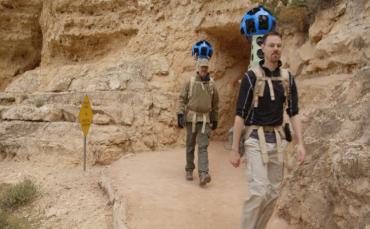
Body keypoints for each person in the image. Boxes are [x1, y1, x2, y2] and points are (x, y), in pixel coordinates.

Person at [230, 31, 306, 228]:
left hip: (278, 141)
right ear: (262, 48)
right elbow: (240, 114)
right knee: (258, 191)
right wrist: (234, 149)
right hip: (255, 139)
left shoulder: (287, 78)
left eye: (279, 46)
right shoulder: (251, 77)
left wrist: (300, 143)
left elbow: (293, 112)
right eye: (272, 45)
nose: (276, 49)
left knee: (272, 194)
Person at [177, 57, 219, 186]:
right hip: (191, 118)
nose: (204, 70)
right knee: (190, 145)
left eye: (206, 68)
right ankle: (189, 169)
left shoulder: (211, 84)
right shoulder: (190, 82)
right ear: (198, 68)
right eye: (202, 68)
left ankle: (203, 173)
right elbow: (182, 99)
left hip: (205, 119)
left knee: (203, 146)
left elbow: (215, 103)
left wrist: (215, 118)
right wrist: (180, 114)